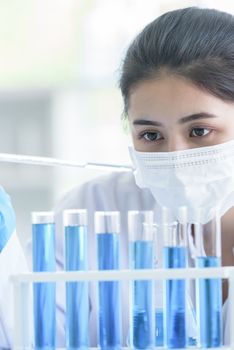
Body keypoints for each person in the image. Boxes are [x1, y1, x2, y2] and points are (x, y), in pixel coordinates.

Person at [1, 5, 234, 348]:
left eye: (200, 131)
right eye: (151, 135)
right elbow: (28, 336)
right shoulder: (94, 210)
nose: (175, 157)